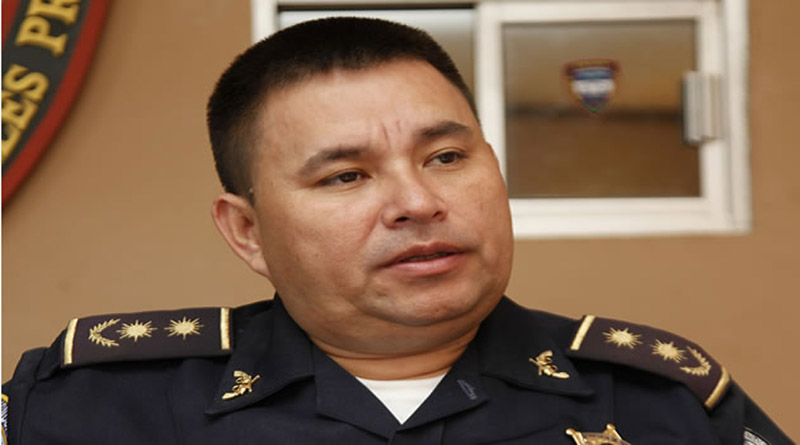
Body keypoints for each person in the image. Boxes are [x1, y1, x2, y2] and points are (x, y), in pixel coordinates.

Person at [2, 17, 791, 445]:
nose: (417, 201)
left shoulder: (665, 405)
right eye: (346, 175)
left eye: (446, 157)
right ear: (247, 231)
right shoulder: (88, 406)